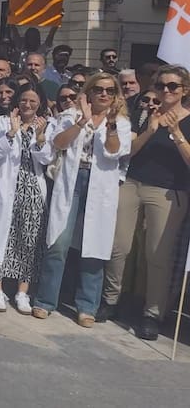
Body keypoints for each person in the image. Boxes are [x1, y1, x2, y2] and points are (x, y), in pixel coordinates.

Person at [100, 65, 190, 340]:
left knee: (157, 254)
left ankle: (152, 314)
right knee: (119, 245)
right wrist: (151, 129)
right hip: (133, 183)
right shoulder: (146, 113)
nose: (165, 90)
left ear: (184, 90)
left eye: (172, 86)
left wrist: (176, 133)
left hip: (168, 191)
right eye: (161, 85)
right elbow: (130, 151)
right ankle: (111, 300)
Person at [34, 73, 130, 326]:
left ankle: (87, 306)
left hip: (101, 186)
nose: (104, 94)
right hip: (72, 181)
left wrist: (108, 125)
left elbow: (114, 151)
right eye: (98, 89)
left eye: (110, 91)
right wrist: (82, 122)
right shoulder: (69, 115)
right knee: (59, 241)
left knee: (95, 245)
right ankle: (45, 300)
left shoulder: (121, 122)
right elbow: (58, 143)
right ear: (88, 91)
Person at [0, 84, 54, 313]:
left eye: (33, 101)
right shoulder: (3, 122)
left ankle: (23, 292)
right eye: (24, 100)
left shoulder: (45, 125)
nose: (28, 105)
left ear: (40, 103)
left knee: (29, 241)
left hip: (33, 190)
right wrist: (11, 133)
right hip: (5, 187)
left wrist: (41, 138)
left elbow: (47, 159)